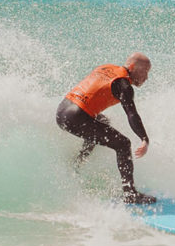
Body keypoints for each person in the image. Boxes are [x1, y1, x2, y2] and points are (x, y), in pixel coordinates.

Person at [56, 52, 153, 203]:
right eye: (144, 72)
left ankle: (78, 162)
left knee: (102, 123)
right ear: (132, 67)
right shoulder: (124, 85)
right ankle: (130, 193)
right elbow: (132, 114)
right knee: (123, 144)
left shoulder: (106, 67)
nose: (146, 77)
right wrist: (144, 139)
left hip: (62, 111)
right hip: (76, 118)